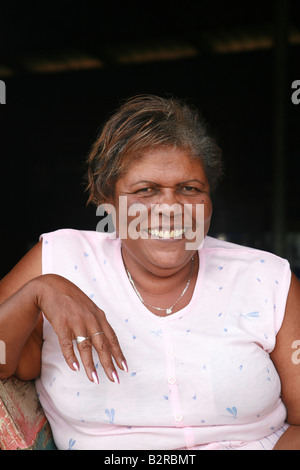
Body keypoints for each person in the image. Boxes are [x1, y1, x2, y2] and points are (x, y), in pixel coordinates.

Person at [0, 94, 300, 450]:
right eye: (146, 191)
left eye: (189, 189)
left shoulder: (267, 278)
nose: (170, 208)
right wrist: (40, 291)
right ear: (107, 201)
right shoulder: (60, 259)